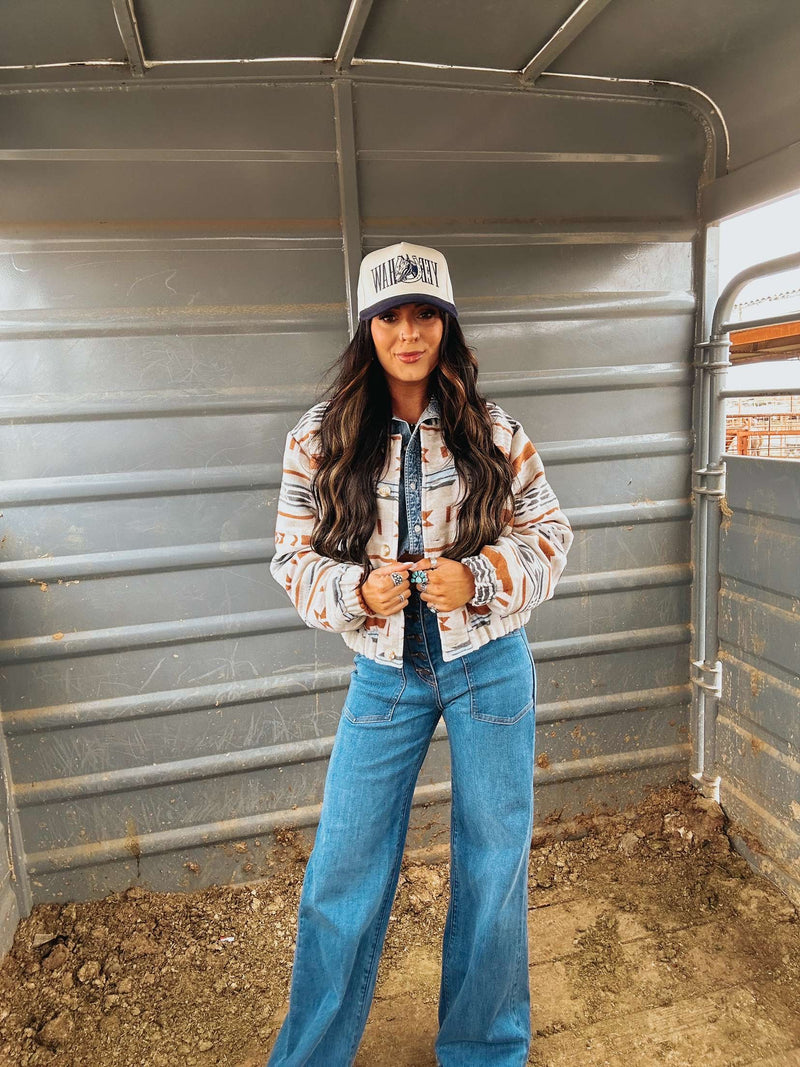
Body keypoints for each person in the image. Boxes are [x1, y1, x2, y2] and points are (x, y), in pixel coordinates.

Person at [266, 241, 573, 1066]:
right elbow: (291, 557)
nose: (409, 334)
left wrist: (479, 576)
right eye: (391, 317)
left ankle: (483, 1050)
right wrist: (356, 592)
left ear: (447, 323)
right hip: (385, 671)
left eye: (426, 315)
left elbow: (551, 534)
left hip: (490, 665)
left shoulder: (493, 430)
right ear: (367, 327)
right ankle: (310, 1055)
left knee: (493, 867)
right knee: (342, 869)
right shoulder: (318, 438)